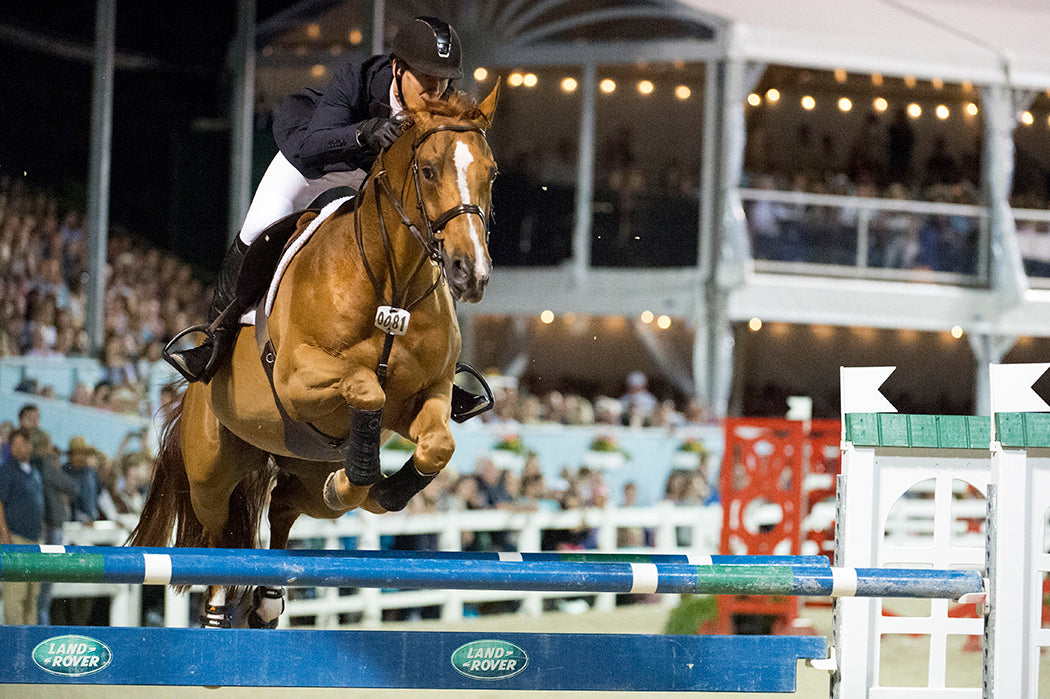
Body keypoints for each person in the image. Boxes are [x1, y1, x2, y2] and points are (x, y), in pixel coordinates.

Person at [167, 16, 464, 383]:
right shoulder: (356, 79)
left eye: (444, 80)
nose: (436, 91)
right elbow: (311, 147)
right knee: (259, 229)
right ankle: (215, 339)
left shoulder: (445, 107)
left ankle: (440, 356)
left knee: (429, 235)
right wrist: (363, 132)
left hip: (373, 178)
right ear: (397, 68)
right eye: (426, 78)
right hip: (314, 161)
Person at [0, 428, 45, 625]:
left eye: (22, 444)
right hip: (16, 539)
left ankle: (30, 647)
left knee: (31, 596)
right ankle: (14, 647)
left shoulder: (34, 472)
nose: (18, 448)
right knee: (15, 595)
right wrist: (5, 537)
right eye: (14, 445)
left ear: (30, 445)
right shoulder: (7, 471)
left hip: (34, 541)